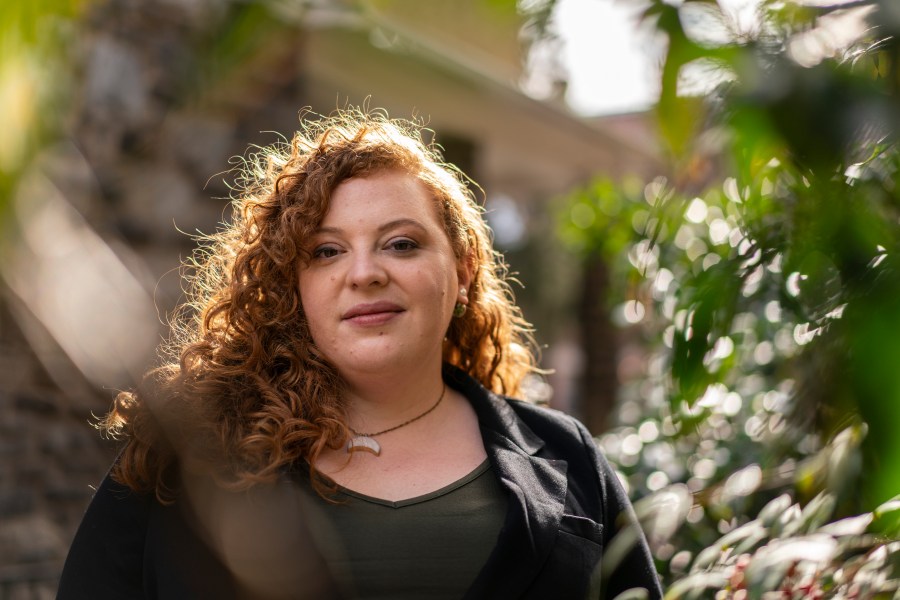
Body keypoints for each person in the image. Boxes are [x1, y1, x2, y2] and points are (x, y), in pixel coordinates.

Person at [58, 109, 663, 599]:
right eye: (326, 252)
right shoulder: (178, 462)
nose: (365, 274)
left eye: (401, 244)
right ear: (289, 286)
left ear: (464, 269)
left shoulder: (569, 459)